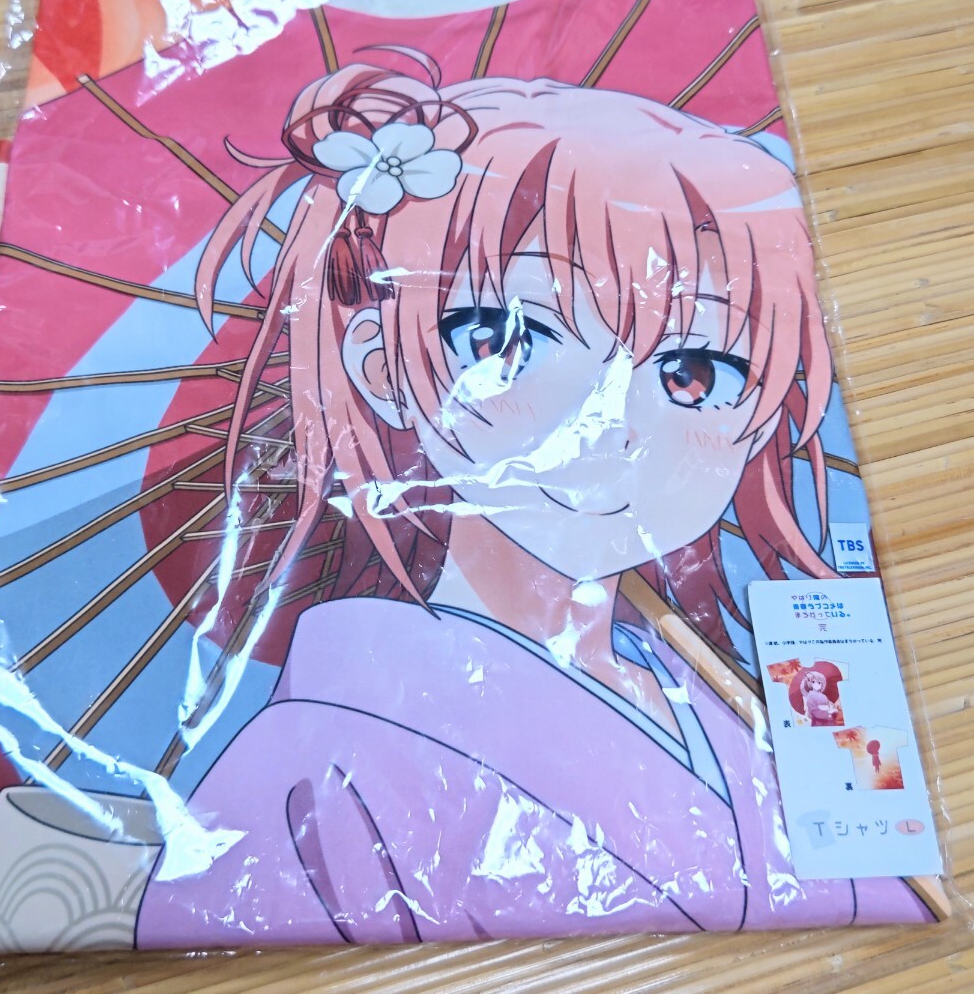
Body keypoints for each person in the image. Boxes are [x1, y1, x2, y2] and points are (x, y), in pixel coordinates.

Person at [135, 57, 935, 946]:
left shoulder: (721, 692)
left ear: (761, 417)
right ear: (380, 365)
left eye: (695, 372)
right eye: (507, 338)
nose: (608, 423)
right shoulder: (319, 768)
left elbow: (877, 891)